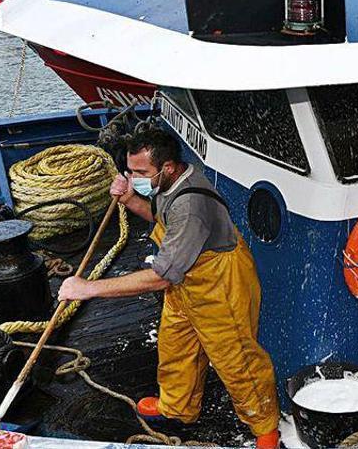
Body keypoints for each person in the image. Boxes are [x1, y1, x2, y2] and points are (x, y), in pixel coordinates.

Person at [57, 128, 281, 448]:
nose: (134, 177)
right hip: (185, 281)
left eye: (140, 173)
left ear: (169, 168)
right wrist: (130, 197)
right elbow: (160, 216)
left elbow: (161, 276)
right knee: (175, 346)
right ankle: (178, 406)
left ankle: (265, 428)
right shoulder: (166, 184)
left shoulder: (192, 205)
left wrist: (88, 288)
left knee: (237, 360)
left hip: (218, 285)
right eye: (130, 171)